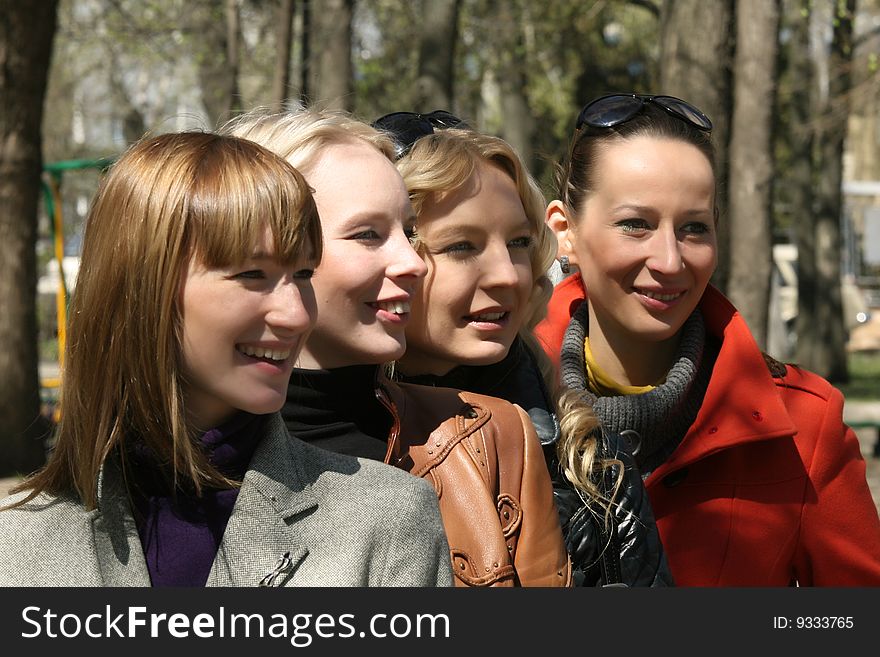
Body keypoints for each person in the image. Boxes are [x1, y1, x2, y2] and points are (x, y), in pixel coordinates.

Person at [0, 131, 452, 587]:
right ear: (140, 290)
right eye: (253, 275)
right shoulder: (18, 541)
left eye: (303, 274)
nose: (296, 314)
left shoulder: (385, 519)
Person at [535, 92, 880, 586]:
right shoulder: (499, 404)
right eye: (636, 224)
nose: (670, 261)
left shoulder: (806, 427)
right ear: (565, 230)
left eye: (694, 228)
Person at [222, 107, 571, 587]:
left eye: (409, 232)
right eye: (368, 234)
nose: (413, 261)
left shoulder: (492, 438)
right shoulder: (167, 461)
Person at [374, 111, 671, 586]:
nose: (509, 275)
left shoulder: (591, 463)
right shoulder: (306, 442)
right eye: (461, 246)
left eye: (518, 243)